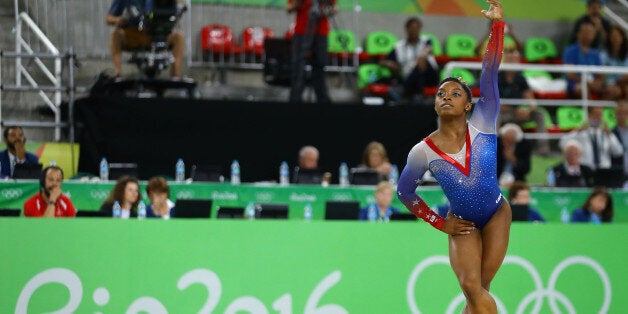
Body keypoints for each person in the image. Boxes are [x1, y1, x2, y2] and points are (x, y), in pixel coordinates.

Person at [397, 2, 510, 312]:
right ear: (435, 105)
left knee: (480, 290)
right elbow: (405, 192)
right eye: (441, 94)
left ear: (469, 106)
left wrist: (497, 26)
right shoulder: (423, 151)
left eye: (455, 94)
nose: (446, 96)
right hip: (463, 223)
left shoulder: (484, 121)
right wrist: (438, 223)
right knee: (473, 289)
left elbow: (489, 71)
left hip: (498, 214)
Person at [106, 0, 185, 78]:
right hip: (133, 34)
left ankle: (176, 75)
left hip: (155, 34)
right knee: (116, 34)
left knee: (179, 37)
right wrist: (118, 20)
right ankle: (118, 73)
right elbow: (109, 18)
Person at [286, 0, 337, 104]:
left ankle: (322, 99)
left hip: (321, 32)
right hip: (301, 32)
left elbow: (334, 8)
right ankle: (295, 98)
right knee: (298, 65)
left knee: (320, 64)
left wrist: (326, 10)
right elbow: (289, 8)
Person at [378, 16, 439, 102]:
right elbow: (383, 61)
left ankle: (403, 89)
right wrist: (389, 64)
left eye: (417, 28)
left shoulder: (426, 41)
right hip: (410, 77)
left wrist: (421, 57)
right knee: (417, 79)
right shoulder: (399, 46)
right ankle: (417, 98)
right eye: (412, 28)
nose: (414, 30)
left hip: (430, 75)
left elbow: (427, 50)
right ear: (406, 29)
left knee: (421, 62)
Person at [559, 106, 623, 171]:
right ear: (589, 116)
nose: (597, 118)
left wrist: (609, 135)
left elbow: (618, 152)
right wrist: (579, 131)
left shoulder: (606, 134)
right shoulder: (581, 133)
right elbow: (562, 143)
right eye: (595, 115)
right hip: (586, 170)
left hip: (604, 170)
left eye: (599, 116)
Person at [562, 20, 605, 99]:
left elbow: (601, 73)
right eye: (586, 32)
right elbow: (570, 74)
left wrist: (598, 82)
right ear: (578, 34)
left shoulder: (595, 53)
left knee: (614, 90)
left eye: (591, 33)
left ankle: (603, 108)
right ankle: (593, 110)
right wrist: (587, 83)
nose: (588, 35)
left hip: (593, 82)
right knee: (582, 89)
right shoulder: (571, 51)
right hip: (576, 83)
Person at [600, 25, 628, 100]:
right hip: (609, 84)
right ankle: (601, 109)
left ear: (622, 38)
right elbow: (603, 76)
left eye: (617, 36)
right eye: (613, 36)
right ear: (609, 39)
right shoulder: (603, 55)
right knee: (615, 91)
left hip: (623, 83)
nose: (615, 39)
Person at [611, 100, 628, 185]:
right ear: (615, 114)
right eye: (619, 113)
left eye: (625, 113)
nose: (622, 116)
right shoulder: (611, 133)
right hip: (619, 174)